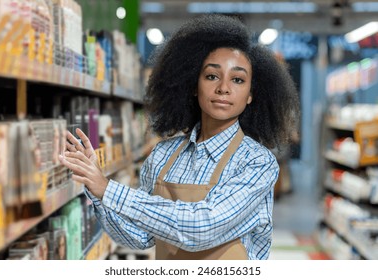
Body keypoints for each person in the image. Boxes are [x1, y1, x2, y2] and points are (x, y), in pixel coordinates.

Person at [59, 14, 299, 260]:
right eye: (212, 76)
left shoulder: (257, 162)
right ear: (193, 85)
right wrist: (95, 188)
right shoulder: (163, 155)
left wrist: (109, 189)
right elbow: (140, 236)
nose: (223, 88)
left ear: (251, 94)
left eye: (237, 79)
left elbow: (201, 228)